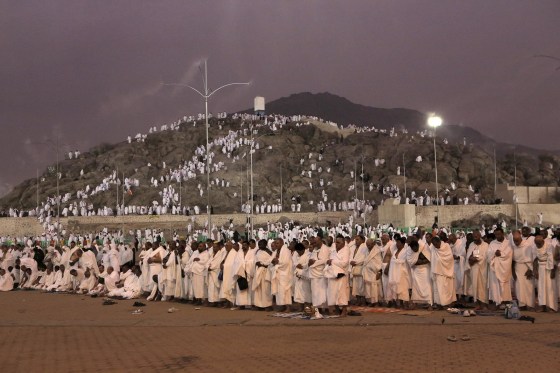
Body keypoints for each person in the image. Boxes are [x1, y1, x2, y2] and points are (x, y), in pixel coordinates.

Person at [487, 228, 513, 309]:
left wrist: (500, 254)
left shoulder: (508, 243)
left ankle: (505, 302)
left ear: (503, 234)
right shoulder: (492, 243)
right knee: (495, 286)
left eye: (499, 234)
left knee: (505, 285)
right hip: (494, 268)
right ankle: (497, 302)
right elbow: (488, 255)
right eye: (496, 234)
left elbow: (509, 254)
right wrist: (494, 253)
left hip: (505, 268)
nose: (497, 236)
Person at [510, 230, 536, 310]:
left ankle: (530, 305)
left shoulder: (527, 245)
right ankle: (522, 305)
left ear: (521, 238)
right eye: (514, 241)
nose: (516, 242)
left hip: (528, 268)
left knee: (529, 287)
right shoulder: (513, 247)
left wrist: (530, 269)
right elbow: (513, 261)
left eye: (517, 241)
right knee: (519, 287)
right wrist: (513, 272)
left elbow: (533, 258)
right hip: (518, 268)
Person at [326, 235, 350, 316]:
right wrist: (329, 262)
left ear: (343, 244)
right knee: (333, 293)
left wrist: (332, 261)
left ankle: (344, 310)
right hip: (332, 275)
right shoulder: (333, 252)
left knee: (342, 293)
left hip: (341, 275)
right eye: (336, 242)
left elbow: (344, 263)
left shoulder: (346, 251)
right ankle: (336, 309)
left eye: (339, 243)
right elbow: (330, 261)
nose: (337, 244)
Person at [465, 230, 489, 309]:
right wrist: (470, 260)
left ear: (480, 236)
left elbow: (486, 256)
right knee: (475, 285)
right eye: (473, 237)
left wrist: (477, 259)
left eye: (476, 237)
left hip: (483, 269)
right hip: (474, 268)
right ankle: (477, 303)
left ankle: (483, 303)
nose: (474, 239)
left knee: (483, 286)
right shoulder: (471, 244)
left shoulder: (486, 245)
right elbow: (468, 255)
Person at [430, 235, 456, 308]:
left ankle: (447, 303)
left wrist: (441, 260)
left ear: (439, 242)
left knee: (447, 288)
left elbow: (450, 257)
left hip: (446, 271)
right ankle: (439, 303)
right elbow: (432, 258)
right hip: (437, 271)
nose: (436, 246)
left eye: (436, 244)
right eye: (434, 245)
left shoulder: (446, 246)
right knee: (438, 289)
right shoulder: (433, 248)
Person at [533, 235, 558, 312]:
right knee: (541, 288)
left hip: (549, 269)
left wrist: (552, 271)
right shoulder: (535, 247)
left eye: (539, 243)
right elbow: (535, 260)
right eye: (536, 243)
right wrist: (535, 271)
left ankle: (551, 307)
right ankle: (542, 306)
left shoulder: (549, 246)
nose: (538, 245)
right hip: (540, 268)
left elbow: (552, 259)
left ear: (543, 241)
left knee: (550, 287)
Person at [362, 238, 382, 306]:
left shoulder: (377, 251)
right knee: (368, 287)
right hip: (367, 271)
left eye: (369, 245)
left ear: (373, 244)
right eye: (367, 245)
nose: (368, 246)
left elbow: (379, 261)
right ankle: (371, 301)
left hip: (374, 271)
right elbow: (364, 260)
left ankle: (376, 302)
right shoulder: (366, 251)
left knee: (374, 287)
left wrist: (379, 272)